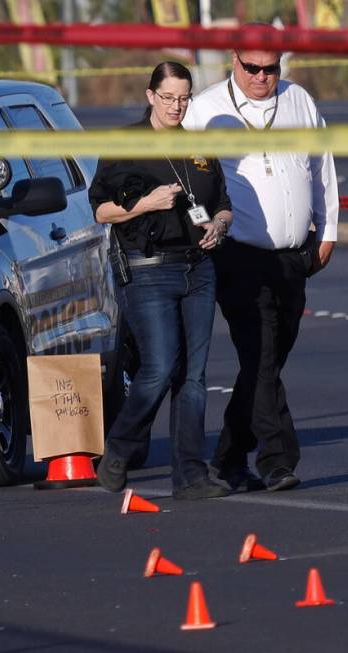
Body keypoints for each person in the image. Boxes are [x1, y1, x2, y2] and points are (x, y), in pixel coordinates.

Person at [182, 32, 339, 492]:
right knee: (262, 351)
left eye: (270, 68)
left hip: (295, 253)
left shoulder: (299, 101)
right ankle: (277, 459)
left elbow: (322, 167)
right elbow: (188, 179)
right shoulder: (206, 110)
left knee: (267, 360)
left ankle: (230, 455)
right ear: (234, 61)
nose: (261, 77)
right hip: (238, 254)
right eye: (251, 68)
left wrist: (328, 230)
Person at [90, 61, 233, 500]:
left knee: (193, 375)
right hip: (149, 268)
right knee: (159, 368)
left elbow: (223, 204)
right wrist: (146, 204)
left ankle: (190, 474)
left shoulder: (199, 149)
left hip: (199, 267)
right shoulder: (125, 144)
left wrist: (220, 225)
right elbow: (101, 211)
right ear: (151, 95)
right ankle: (118, 449)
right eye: (168, 97)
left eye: (184, 98)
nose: (176, 106)